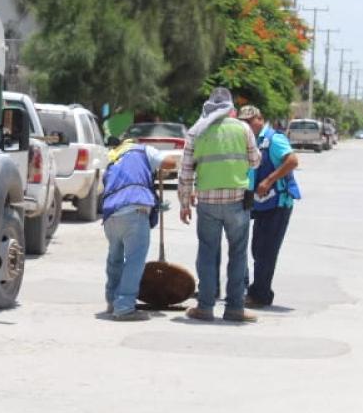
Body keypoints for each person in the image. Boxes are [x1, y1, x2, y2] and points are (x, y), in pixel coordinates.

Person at [178, 87, 261, 322]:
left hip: (207, 203)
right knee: (238, 254)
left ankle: (205, 307)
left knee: (207, 253)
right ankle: (235, 308)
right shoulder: (243, 128)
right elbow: (255, 162)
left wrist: (184, 203)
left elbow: (185, 172)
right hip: (237, 201)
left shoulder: (196, 131)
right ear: (230, 108)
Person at [101, 139, 178, 321]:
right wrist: (159, 167)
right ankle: (125, 307)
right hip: (134, 212)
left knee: (115, 258)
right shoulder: (143, 150)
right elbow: (169, 163)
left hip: (110, 213)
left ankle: (112, 301)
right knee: (135, 260)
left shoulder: (114, 157)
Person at [236, 105, 301, 307]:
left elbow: (292, 160)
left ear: (260, 119)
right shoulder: (252, 141)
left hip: (278, 203)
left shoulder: (274, 139)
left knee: (266, 251)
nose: (247, 125)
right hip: (261, 204)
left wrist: (269, 180)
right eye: (243, 122)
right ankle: (255, 290)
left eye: (250, 121)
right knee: (257, 249)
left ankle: (260, 295)